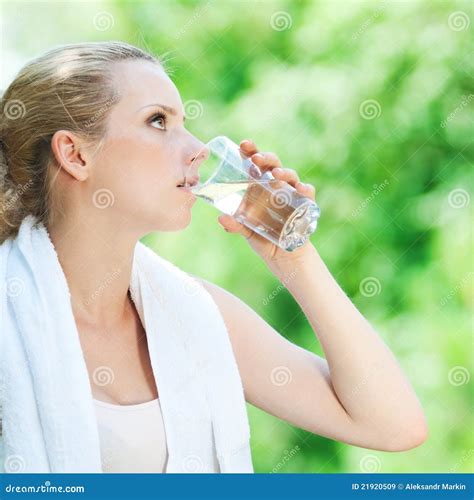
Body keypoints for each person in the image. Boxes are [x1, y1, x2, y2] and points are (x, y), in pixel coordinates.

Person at [0, 41, 427, 473]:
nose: (199, 148)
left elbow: (393, 425)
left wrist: (293, 258)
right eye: (158, 121)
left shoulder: (196, 316)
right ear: (75, 154)